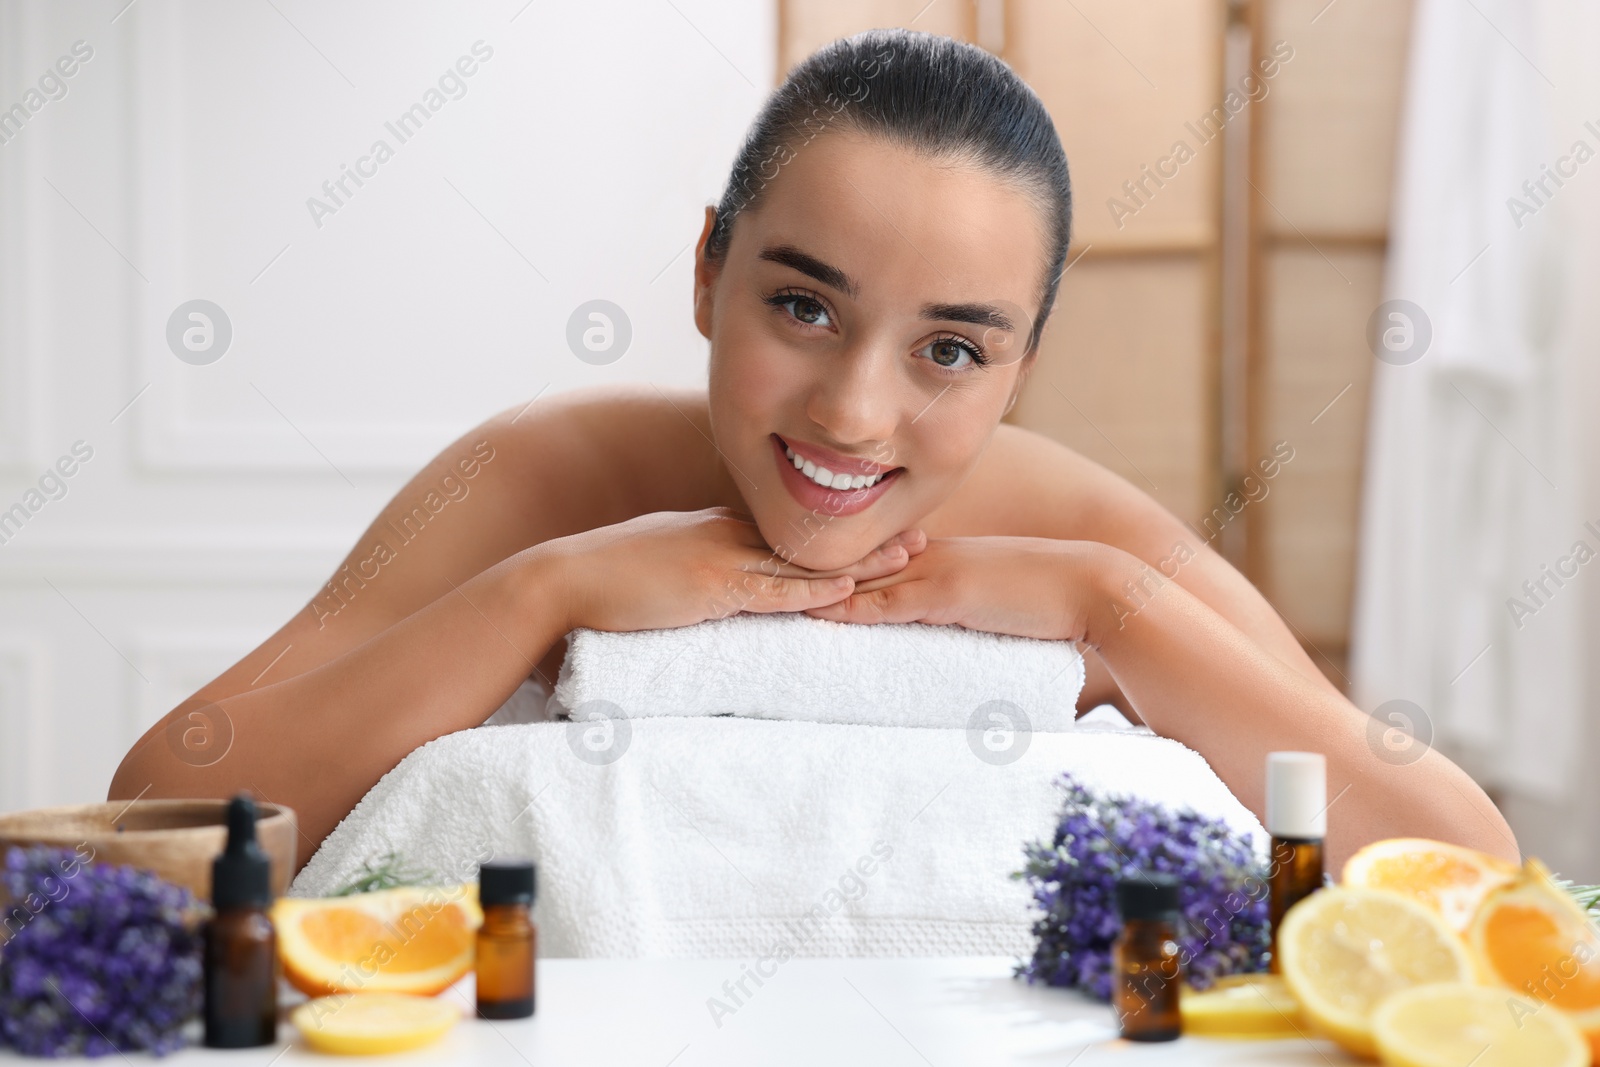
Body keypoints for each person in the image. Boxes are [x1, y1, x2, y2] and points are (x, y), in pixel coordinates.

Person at [109, 29, 1517, 873]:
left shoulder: (1082, 535)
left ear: (1025, 359)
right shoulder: (544, 483)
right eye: (802, 305)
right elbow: (160, 805)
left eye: (952, 350)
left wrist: (1110, 611)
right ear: (710, 270)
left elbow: (1456, 855)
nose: (853, 411)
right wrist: (547, 594)